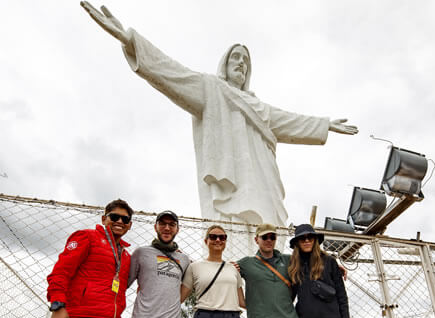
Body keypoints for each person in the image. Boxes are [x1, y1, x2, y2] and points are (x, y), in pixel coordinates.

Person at [81, 3, 359, 227]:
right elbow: (171, 72)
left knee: (269, 228)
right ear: (224, 64)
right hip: (232, 183)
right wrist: (130, 40)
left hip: (262, 181)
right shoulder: (211, 89)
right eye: (235, 58)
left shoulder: (259, 107)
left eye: (245, 61)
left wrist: (325, 125)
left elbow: (291, 120)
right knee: (231, 228)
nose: (241, 64)